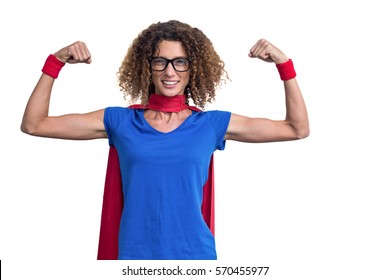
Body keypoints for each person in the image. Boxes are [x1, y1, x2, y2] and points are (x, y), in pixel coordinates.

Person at [21, 20, 309, 260]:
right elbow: (35, 124)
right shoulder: (120, 122)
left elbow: (296, 129)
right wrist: (55, 63)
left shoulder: (210, 125)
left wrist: (284, 65)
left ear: (192, 69)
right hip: (134, 258)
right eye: (161, 61)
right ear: (148, 67)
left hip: (194, 257)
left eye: (180, 62)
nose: (170, 71)